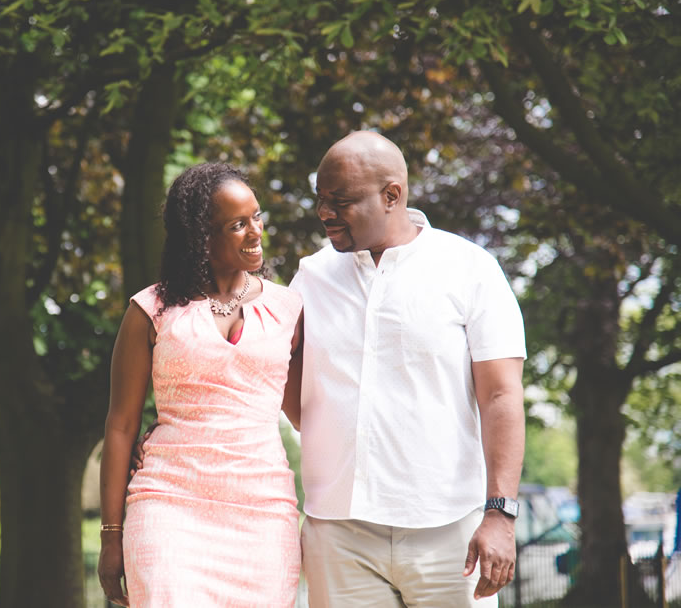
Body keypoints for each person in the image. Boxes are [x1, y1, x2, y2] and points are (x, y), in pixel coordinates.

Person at [288, 130, 526, 607]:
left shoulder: (469, 268)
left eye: (341, 200)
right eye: (321, 200)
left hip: (449, 530)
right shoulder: (310, 277)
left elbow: (501, 395)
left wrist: (500, 514)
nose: (325, 213)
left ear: (391, 195)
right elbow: (283, 376)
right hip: (338, 535)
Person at [97, 162, 304, 607]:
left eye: (256, 216)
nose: (256, 232)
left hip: (264, 514)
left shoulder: (290, 310)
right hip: (169, 507)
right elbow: (120, 426)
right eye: (237, 225)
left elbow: (311, 413)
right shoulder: (149, 310)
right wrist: (111, 536)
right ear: (201, 238)